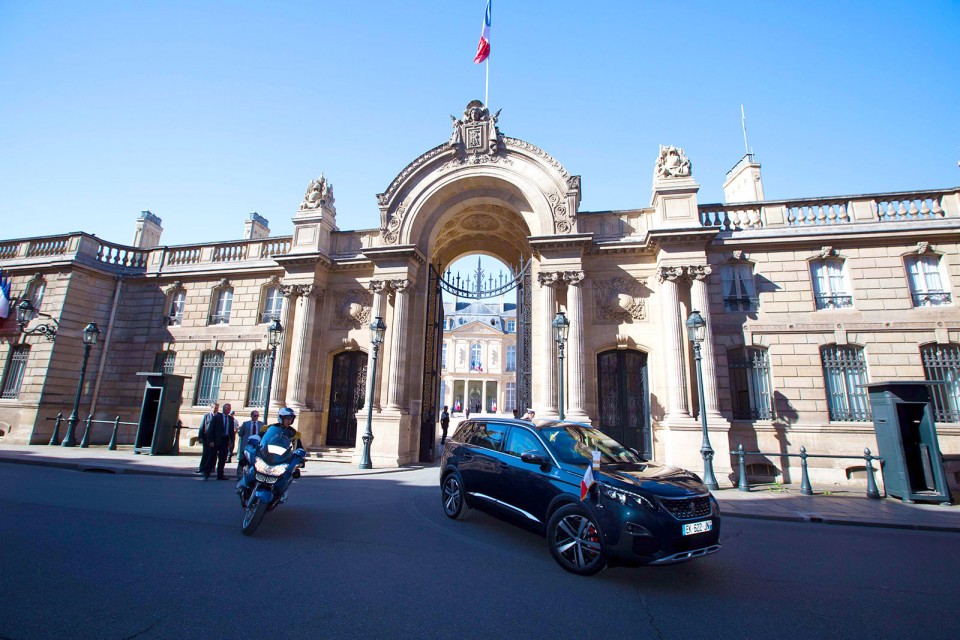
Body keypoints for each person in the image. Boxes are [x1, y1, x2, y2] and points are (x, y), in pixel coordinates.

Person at [202, 402, 235, 480]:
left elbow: (231, 431)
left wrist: (232, 441)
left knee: (223, 459)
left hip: (225, 440)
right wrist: (211, 441)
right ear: (223, 409)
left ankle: (220, 475)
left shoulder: (230, 418)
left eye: (229, 409)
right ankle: (206, 474)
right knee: (211, 458)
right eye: (226, 408)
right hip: (216, 440)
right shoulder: (217, 417)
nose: (228, 410)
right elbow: (211, 429)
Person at [196, 402, 220, 475]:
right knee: (205, 453)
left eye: (217, 408)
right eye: (214, 408)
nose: (215, 409)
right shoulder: (206, 416)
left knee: (214, 454)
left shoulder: (219, 416)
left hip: (215, 438)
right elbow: (202, 427)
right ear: (211, 408)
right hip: (207, 438)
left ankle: (212, 468)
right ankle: (202, 467)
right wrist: (200, 437)